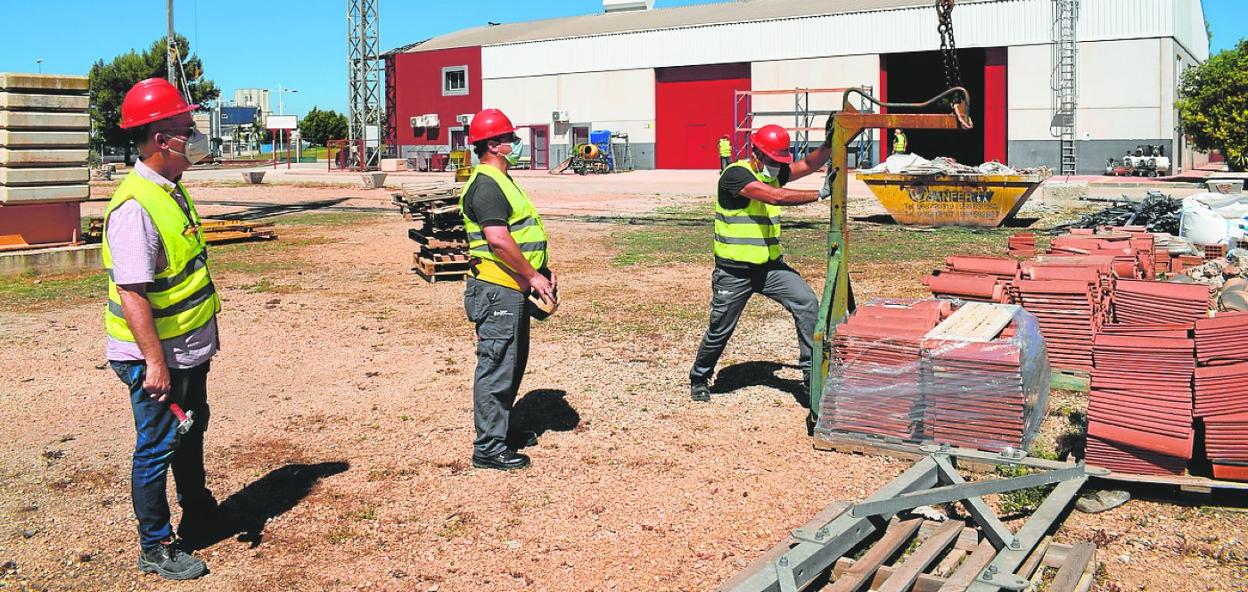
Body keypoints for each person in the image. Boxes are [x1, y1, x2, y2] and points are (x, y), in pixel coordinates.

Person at [102, 78, 220, 580]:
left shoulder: (171, 189)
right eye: (185, 129)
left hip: (188, 348)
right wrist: (154, 363)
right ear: (159, 140)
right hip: (157, 359)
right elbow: (133, 294)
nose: (195, 137)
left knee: (190, 431)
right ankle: (155, 546)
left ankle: (198, 508)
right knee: (157, 446)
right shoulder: (135, 208)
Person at [689, 124, 834, 404]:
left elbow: (807, 164)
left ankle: (810, 376)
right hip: (734, 272)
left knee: (806, 302)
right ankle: (699, 377)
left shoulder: (773, 172)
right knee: (720, 329)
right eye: (772, 160)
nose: (776, 167)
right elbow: (774, 196)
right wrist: (819, 194)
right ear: (755, 153)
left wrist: (831, 143)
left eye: (779, 161)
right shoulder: (735, 175)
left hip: (770, 269)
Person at [459, 108, 556, 471]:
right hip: (496, 289)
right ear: (493, 145)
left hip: (512, 287)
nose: (516, 144)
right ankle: (488, 448)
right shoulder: (486, 184)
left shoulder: (502, 180)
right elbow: (498, 240)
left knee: (511, 364)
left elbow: (518, 234)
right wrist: (533, 276)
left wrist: (540, 271)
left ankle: (501, 429)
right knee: (497, 366)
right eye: (510, 139)